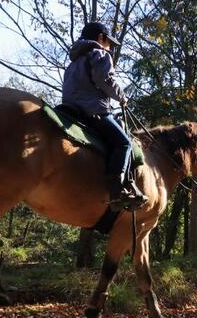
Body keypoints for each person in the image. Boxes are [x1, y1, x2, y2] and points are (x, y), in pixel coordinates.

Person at [61, 22, 147, 212]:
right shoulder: (100, 54)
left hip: (70, 108)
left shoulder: (75, 61)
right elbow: (105, 79)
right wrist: (122, 98)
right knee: (124, 143)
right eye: (109, 42)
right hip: (92, 110)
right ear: (101, 38)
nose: (110, 47)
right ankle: (117, 191)